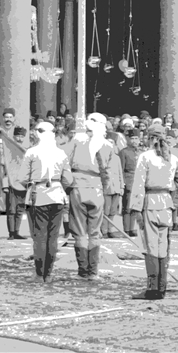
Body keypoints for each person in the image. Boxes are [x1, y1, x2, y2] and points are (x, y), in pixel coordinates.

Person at [128, 124, 178, 300]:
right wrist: (176, 202)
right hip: (166, 204)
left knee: (150, 248)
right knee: (163, 247)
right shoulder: (173, 157)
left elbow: (139, 184)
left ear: (150, 138)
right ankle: (162, 287)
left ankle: (152, 289)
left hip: (149, 203)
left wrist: (136, 208)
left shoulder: (145, 157)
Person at [20, 121, 74, 283]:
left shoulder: (31, 152)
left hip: (38, 196)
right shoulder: (61, 153)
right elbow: (68, 179)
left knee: (40, 237)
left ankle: (39, 273)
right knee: (53, 237)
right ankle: (48, 273)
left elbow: (22, 178)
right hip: (57, 196)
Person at [69, 114, 113, 280]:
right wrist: (104, 189)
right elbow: (108, 172)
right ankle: (93, 272)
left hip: (78, 186)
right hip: (97, 189)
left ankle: (82, 271)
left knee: (80, 232)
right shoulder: (108, 144)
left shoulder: (77, 140)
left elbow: (66, 162)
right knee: (94, 233)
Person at [119, 132, 142, 237]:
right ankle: (126, 229)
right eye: (132, 138)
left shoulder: (141, 152)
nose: (134, 141)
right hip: (129, 180)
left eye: (136, 138)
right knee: (127, 207)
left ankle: (132, 228)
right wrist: (123, 182)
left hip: (139, 181)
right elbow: (122, 169)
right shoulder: (124, 152)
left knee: (135, 207)